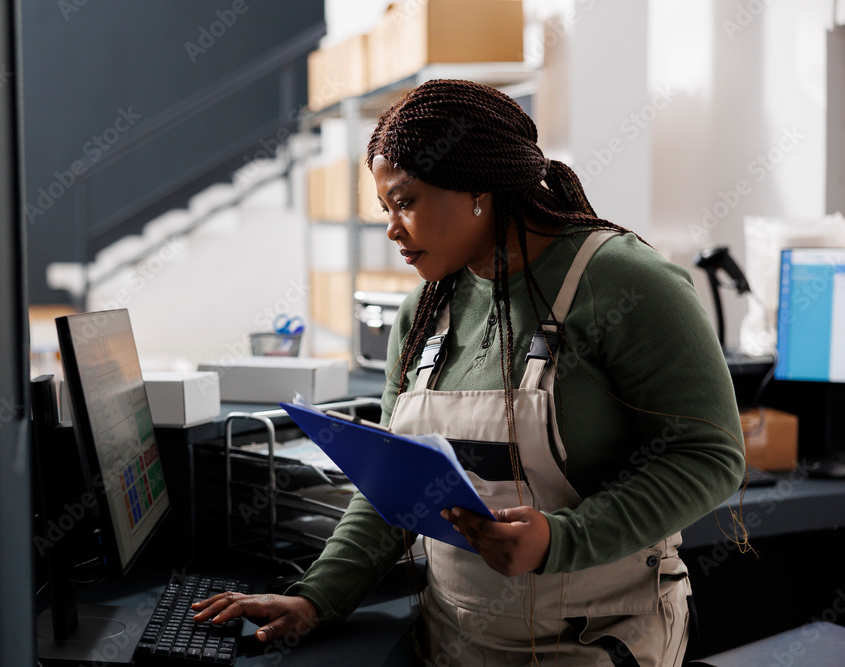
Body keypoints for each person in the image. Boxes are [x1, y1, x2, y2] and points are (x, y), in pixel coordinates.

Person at [192, 79, 746, 665]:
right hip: (452, 639)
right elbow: (390, 489)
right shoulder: (424, 312)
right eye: (385, 208)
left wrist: (560, 540)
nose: (391, 229)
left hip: (594, 640)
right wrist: (315, 598)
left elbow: (710, 456)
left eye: (406, 202)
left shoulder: (626, 282)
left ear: (478, 189)